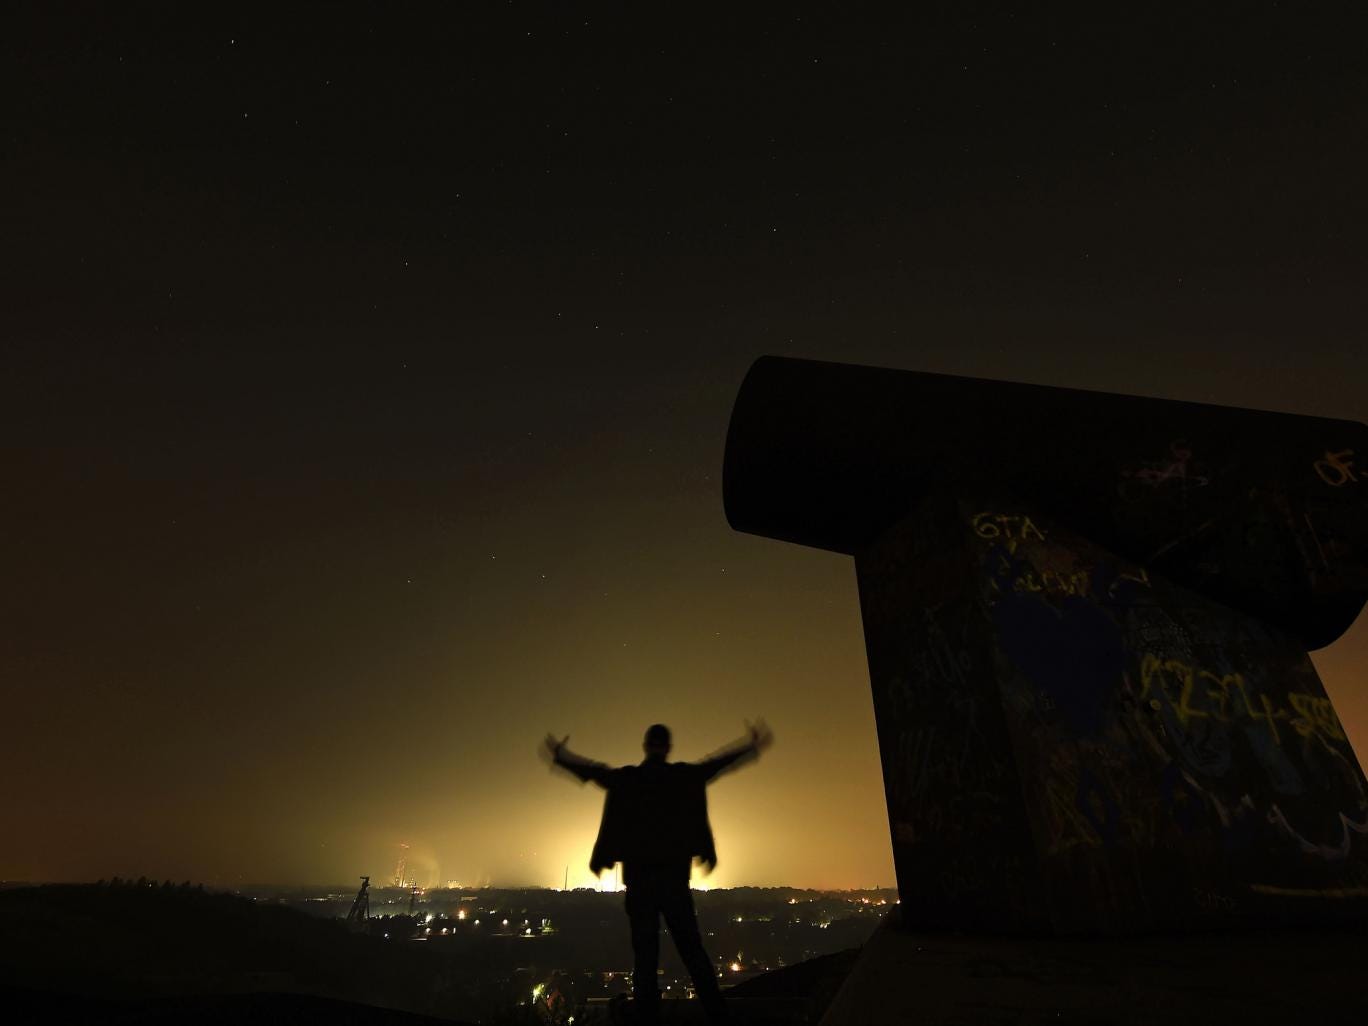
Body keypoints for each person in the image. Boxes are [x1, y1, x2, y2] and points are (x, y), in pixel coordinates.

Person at [543, 720, 773, 1025]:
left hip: (639, 882)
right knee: (692, 952)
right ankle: (718, 1015)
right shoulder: (683, 777)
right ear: (667, 748)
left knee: (645, 959)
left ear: (646, 747)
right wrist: (750, 747)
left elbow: (593, 771)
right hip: (674, 880)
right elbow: (718, 764)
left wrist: (562, 756)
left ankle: (647, 1018)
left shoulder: (629, 780)